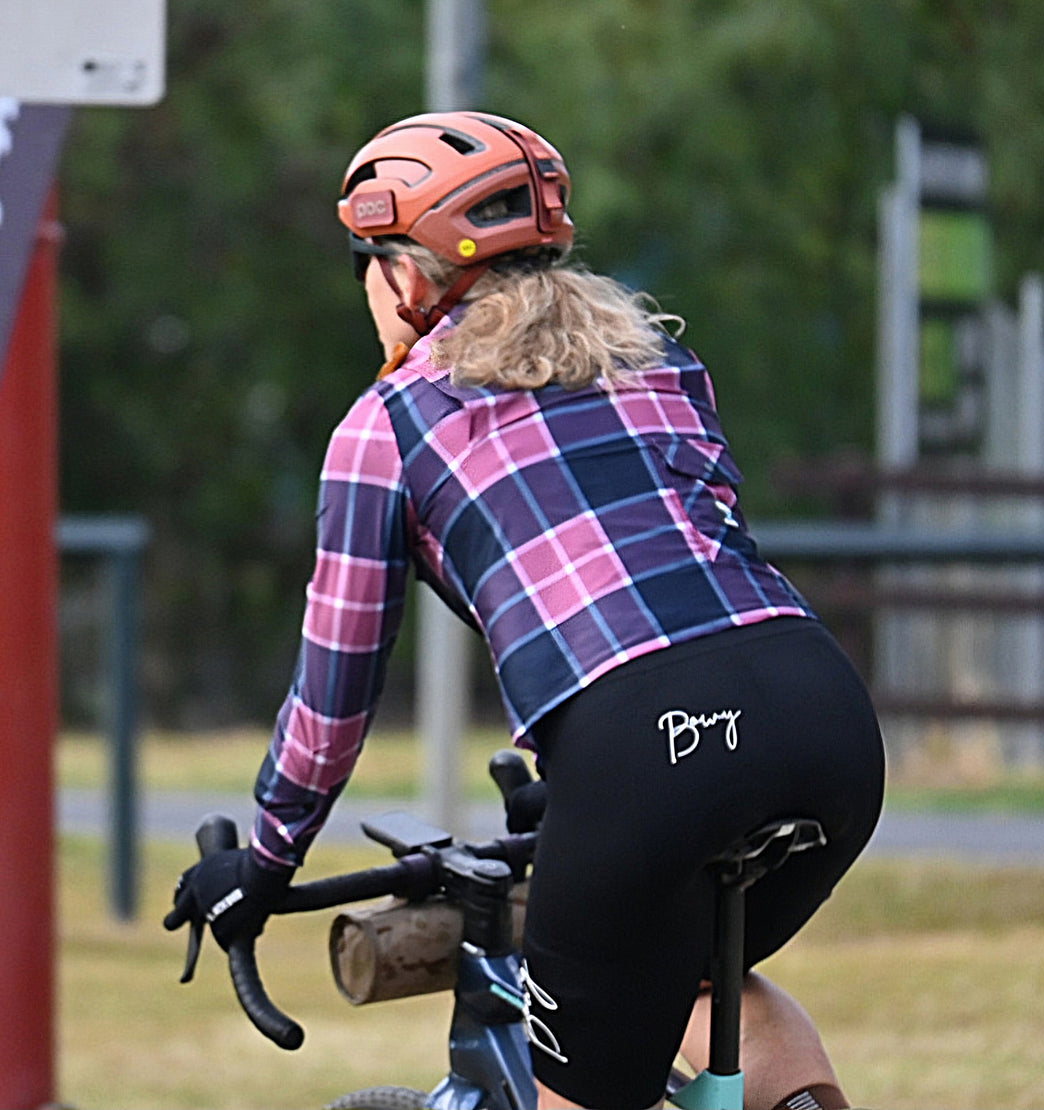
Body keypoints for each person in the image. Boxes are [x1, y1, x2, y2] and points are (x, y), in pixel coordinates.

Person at [165, 111, 885, 1110]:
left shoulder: (389, 425)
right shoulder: (664, 369)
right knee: (699, 976)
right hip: (822, 718)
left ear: (407, 277)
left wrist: (266, 857)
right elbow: (686, 576)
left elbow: (333, 699)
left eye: (365, 264)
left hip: (645, 751)